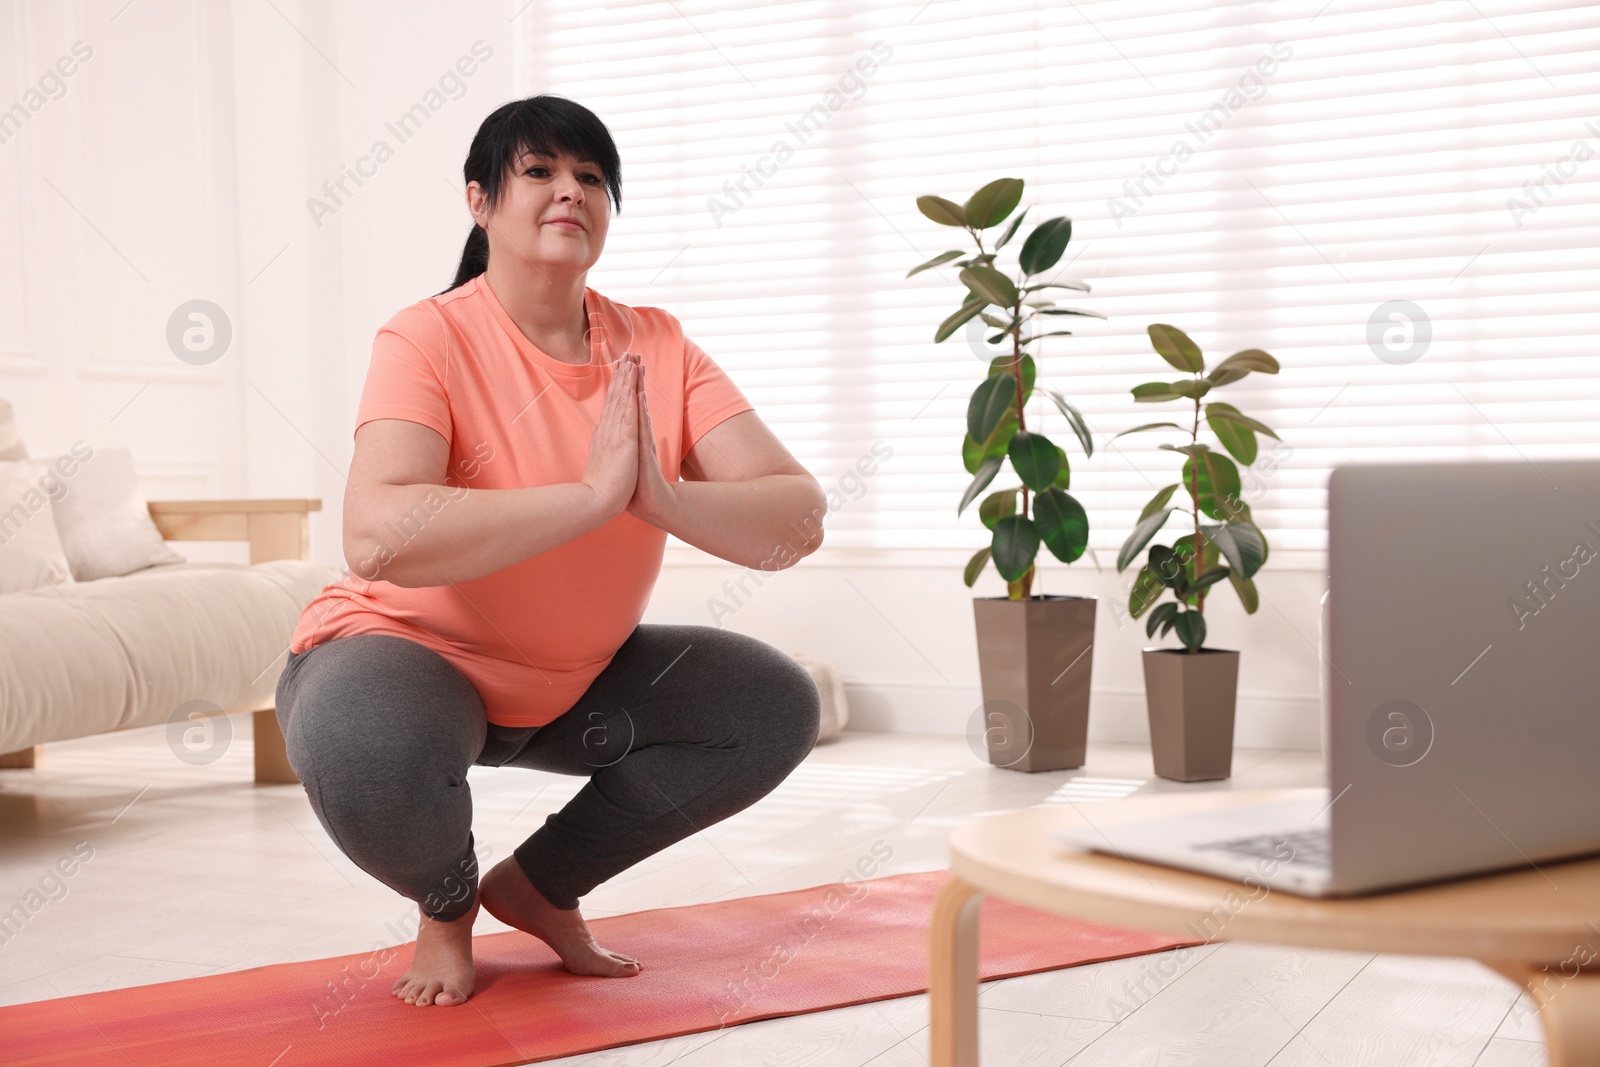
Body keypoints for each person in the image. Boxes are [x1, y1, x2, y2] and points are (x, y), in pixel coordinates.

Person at [274, 94, 826, 1010]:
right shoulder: (429, 335)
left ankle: (538, 886)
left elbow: (797, 517)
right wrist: (585, 502)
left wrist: (663, 495)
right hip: (405, 659)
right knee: (364, 743)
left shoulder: (657, 345)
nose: (571, 189)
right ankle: (447, 902)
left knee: (770, 706)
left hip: (574, 683)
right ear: (480, 200)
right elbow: (377, 533)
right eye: (539, 171)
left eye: (592, 177)